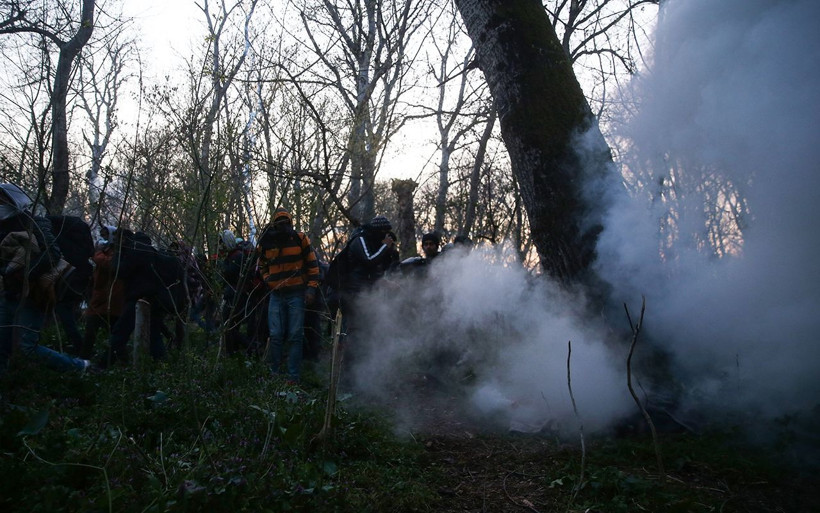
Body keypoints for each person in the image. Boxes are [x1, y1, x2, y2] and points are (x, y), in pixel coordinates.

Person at [0, 183, 91, 375]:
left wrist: (25, 274)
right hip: (9, 294)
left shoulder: (34, 222)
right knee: (2, 346)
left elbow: (52, 253)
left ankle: (78, 367)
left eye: (3, 200)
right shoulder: (2, 226)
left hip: (33, 294)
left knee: (27, 348)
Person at [255, 208, 320, 383]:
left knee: (295, 335)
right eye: (279, 222)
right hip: (276, 295)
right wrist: (269, 281)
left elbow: (313, 266)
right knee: (275, 334)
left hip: (296, 294)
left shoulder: (300, 239)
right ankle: (274, 373)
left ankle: (293, 376)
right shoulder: (266, 243)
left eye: (286, 222)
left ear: (291, 223)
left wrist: (311, 289)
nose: (283, 226)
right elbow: (261, 266)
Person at [80, 226, 125, 360]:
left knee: (113, 333)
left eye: (106, 236)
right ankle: (85, 358)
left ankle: (119, 361)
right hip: (100, 297)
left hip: (112, 298)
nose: (104, 239)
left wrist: (98, 253)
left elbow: (109, 265)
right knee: (92, 331)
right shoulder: (107, 251)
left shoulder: (117, 253)